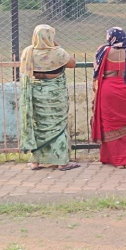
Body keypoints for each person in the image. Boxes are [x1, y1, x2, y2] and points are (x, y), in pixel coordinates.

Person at [19, 25, 80, 171]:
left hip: (36, 93)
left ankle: (36, 162)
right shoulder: (58, 53)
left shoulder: (29, 52)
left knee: (38, 125)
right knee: (58, 125)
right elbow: (73, 63)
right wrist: (58, 46)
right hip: (55, 94)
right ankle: (62, 162)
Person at [91, 28, 126, 169]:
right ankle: (125, 160)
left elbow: (96, 67)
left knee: (110, 124)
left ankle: (112, 158)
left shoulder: (102, 50)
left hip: (108, 90)